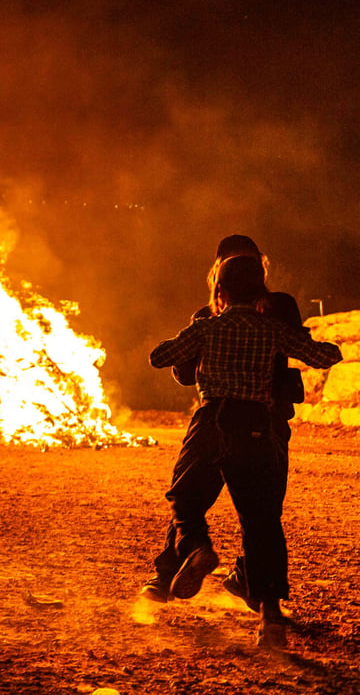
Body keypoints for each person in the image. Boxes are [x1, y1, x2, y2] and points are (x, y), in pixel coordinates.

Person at [148, 254, 341, 647]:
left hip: (211, 419)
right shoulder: (272, 329)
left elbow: (159, 357)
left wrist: (193, 343)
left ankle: (198, 548)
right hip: (254, 425)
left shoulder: (207, 326)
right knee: (261, 520)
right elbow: (324, 356)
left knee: (185, 499)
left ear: (219, 290)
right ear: (260, 291)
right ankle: (270, 618)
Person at [143, 235, 307, 608]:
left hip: (216, 417)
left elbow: (182, 373)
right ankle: (262, 595)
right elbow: (301, 346)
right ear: (260, 268)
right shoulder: (281, 305)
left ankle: (170, 573)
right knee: (262, 510)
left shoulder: (207, 317)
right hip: (268, 420)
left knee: (190, 494)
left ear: (219, 274)